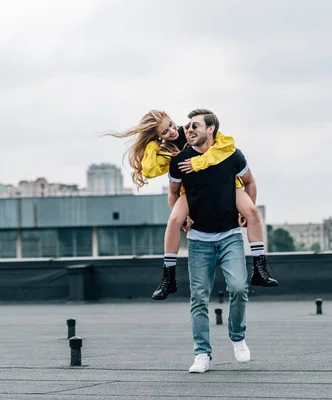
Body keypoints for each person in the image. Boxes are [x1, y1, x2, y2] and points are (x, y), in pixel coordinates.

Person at [108, 110, 277, 301]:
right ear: (158, 136)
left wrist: (198, 163)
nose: (173, 131)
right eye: (164, 132)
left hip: (225, 187)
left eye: (171, 124)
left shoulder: (193, 130)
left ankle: (260, 268)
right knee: (173, 220)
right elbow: (149, 170)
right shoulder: (165, 149)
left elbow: (226, 145)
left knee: (252, 211)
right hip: (193, 192)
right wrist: (154, 144)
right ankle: (168, 277)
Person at [168, 109, 258, 373]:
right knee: (199, 297)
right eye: (187, 126)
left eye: (195, 125)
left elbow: (250, 182)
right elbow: (173, 193)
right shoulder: (180, 160)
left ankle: (237, 336)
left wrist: (247, 210)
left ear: (211, 129)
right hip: (198, 240)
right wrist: (181, 217)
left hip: (230, 235)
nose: (189, 129)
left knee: (240, 287)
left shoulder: (232, 154)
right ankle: (202, 354)